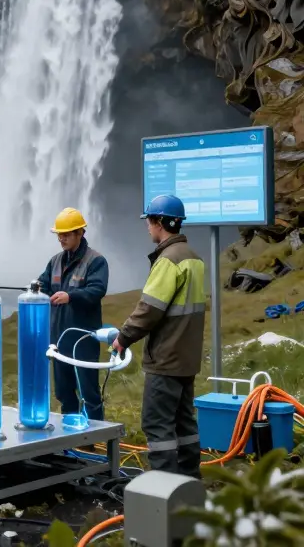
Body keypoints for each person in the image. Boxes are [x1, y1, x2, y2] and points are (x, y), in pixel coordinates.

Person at [111, 194, 206, 479]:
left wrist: (123, 337)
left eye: (150, 221)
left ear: (160, 223)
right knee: (184, 423)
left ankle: (164, 491)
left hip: (166, 357)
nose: (147, 227)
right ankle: (190, 483)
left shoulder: (168, 260)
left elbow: (149, 309)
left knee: (157, 424)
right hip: (187, 357)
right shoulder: (194, 258)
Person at [38, 207, 110, 421]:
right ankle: (70, 438)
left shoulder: (96, 261)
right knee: (63, 392)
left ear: (80, 233)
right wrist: (38, 291)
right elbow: (43, 283)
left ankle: (94, 440)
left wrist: (71, 296)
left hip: (83, 339)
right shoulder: (55, 261)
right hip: (58, 340)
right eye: (59, 234)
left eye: (66, 234)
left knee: (89, 393)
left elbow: (97, 290)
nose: (61, 238)